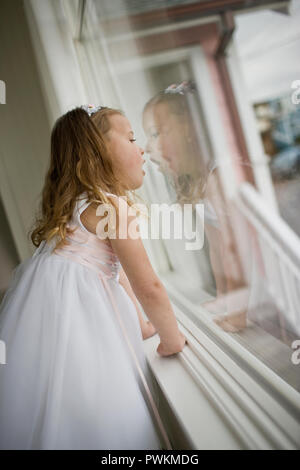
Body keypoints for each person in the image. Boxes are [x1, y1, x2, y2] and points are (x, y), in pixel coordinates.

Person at [0, 104, 187, 450]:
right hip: (85, 333)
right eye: (131, 138)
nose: (142, 146)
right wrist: (171, 337)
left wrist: (144, 326)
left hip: (60, 331)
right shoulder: (111, 207)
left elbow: (113, 277)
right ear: (98, 150)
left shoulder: (78, 206)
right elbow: (149, 286)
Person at [142, 81, 250, 332]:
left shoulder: (218, 178)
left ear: (187, 131)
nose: (147, 147)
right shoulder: (200, 181)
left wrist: (237, 313)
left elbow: (237, 250)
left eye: (156, 134)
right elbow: (217, 246)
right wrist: (224, 297)